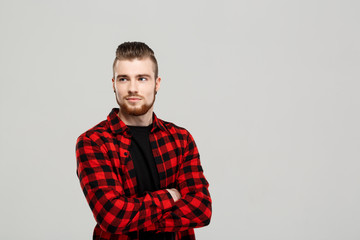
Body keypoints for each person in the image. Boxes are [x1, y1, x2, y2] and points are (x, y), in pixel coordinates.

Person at [75, 42, 212, 240]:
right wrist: (171, 196)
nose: (132, 88)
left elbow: (202, 209)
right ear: (113, 84)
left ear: (156, 83)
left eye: (142, 78)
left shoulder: (181, 139)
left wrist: (137, 217)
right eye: (124, 79)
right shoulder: (93, 142)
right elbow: (113, 217)